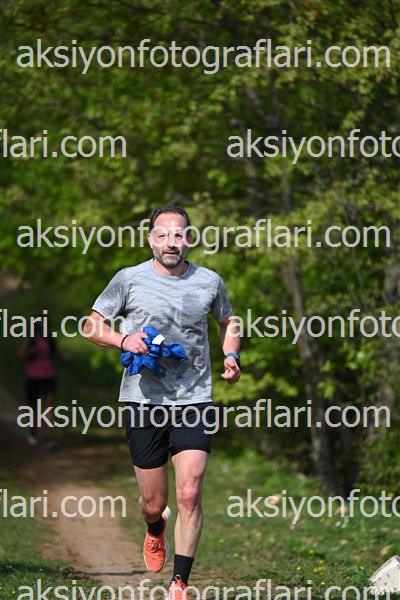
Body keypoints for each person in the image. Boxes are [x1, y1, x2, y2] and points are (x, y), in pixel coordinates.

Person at [84, 205, 240, 598]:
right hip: (143, 401)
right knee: (154, 503)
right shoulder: (129, 279)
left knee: (190, 493)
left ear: (189, 240)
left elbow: (229, 321)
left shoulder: (209, 281)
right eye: (164, 234)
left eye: (179, 235)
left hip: (194, 399)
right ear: (151, 239)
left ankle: (179, 583)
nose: (172, 242)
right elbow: (92, 325)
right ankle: (155, 527)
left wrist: (231, 355)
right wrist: (123, 340)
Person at [18, 320, 58, 449]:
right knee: (33, 407)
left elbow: (56, 353)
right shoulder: (30, 340)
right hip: (32, 377)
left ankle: (49, 437)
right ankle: (32, 429)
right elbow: (21, 356)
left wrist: (67, 358)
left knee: (49, 405)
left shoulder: (50, 340)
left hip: (48, 376)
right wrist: (31, 352)